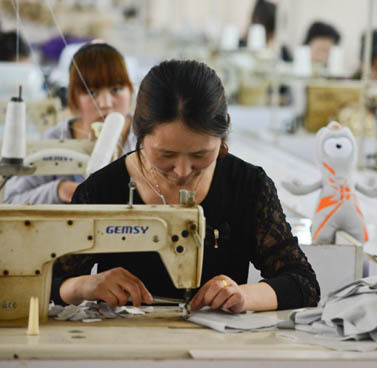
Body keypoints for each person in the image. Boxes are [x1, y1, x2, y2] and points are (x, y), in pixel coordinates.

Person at [52, 60, 320, 313]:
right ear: (140, 134)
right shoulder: (102, 190)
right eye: (165, 155)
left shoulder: (248, 185)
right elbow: (41, 282)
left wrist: (244, 295)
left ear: (223, 132)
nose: (182, 171)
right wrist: (83, 286)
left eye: (200, 155)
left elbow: (303, 283)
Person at [3, 42, 136, 204]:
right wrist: (59, 190)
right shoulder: (54, 140)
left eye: (116, 89)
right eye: (91, 92)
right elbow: (11, 201)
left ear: (130, 90)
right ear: (74, 98)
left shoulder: (146, 137)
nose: (105, 103)